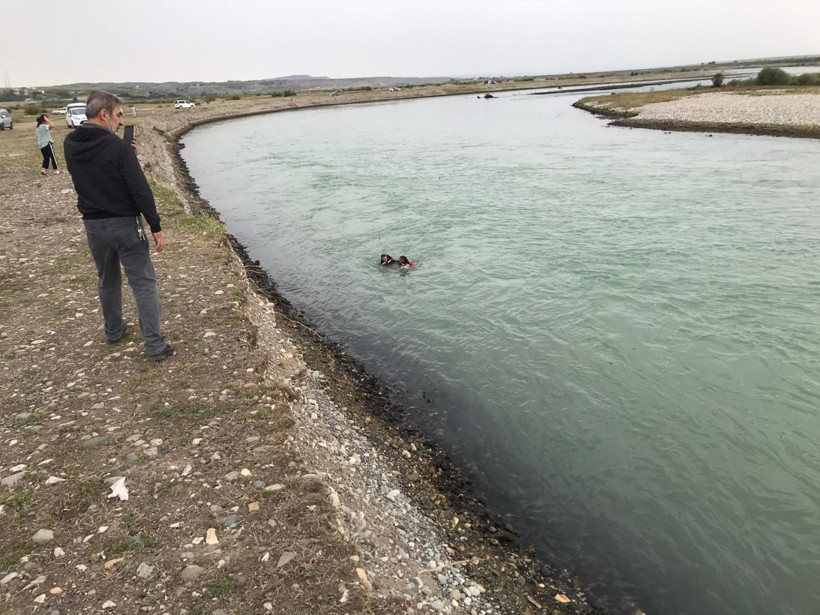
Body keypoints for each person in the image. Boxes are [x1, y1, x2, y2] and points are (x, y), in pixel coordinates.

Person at [63, 90, 174, 361]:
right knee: (143, 283)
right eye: (119, 115)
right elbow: (140, 190)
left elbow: (96, 169)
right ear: (104, 114)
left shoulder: (70, 144)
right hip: (125, 224)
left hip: (93, 226)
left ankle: (114, 331)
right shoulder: (118, 148)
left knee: (107, 280)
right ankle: (156, 345)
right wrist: (155, 225)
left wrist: (125, 153)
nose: (121, 122)